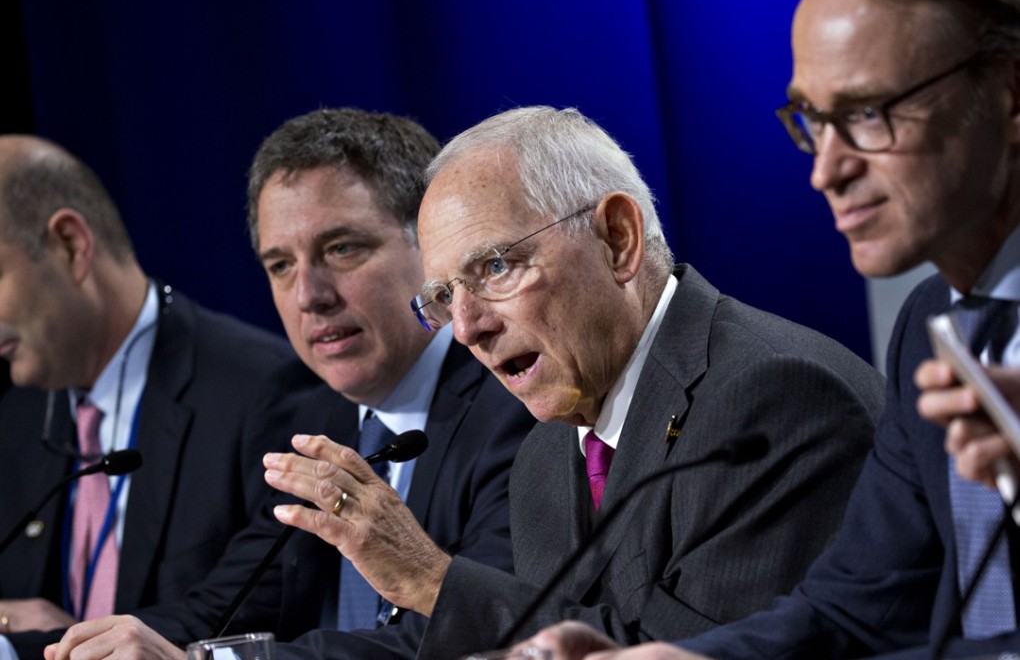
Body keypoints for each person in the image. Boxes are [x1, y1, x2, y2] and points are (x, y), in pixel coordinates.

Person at [259, 104, 885, 660]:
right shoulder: (547, 454)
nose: (469, 327)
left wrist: (433, 581)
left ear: (618, 239)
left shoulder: (773, 399)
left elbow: (694, 652)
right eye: (446, 296)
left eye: (496, 266)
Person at [524, 0, 1020, 657]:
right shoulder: (930, 324)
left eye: (870, 113)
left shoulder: (778, 383)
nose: (827, 169)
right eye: (813, 120)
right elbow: (854, 609)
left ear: (1008, 94)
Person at [44, 108, 534, 660]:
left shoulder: (513, 408)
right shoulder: (311, 423)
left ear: (427, 244)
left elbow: (480, 634)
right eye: (281, 265)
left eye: (341, 249)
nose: (309, 295)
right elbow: (220, 608)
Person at [0, 135, 317, 659]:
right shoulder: (17, 418)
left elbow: (238, 618)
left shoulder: (265, 390)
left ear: (71, 245)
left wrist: (23, 646)